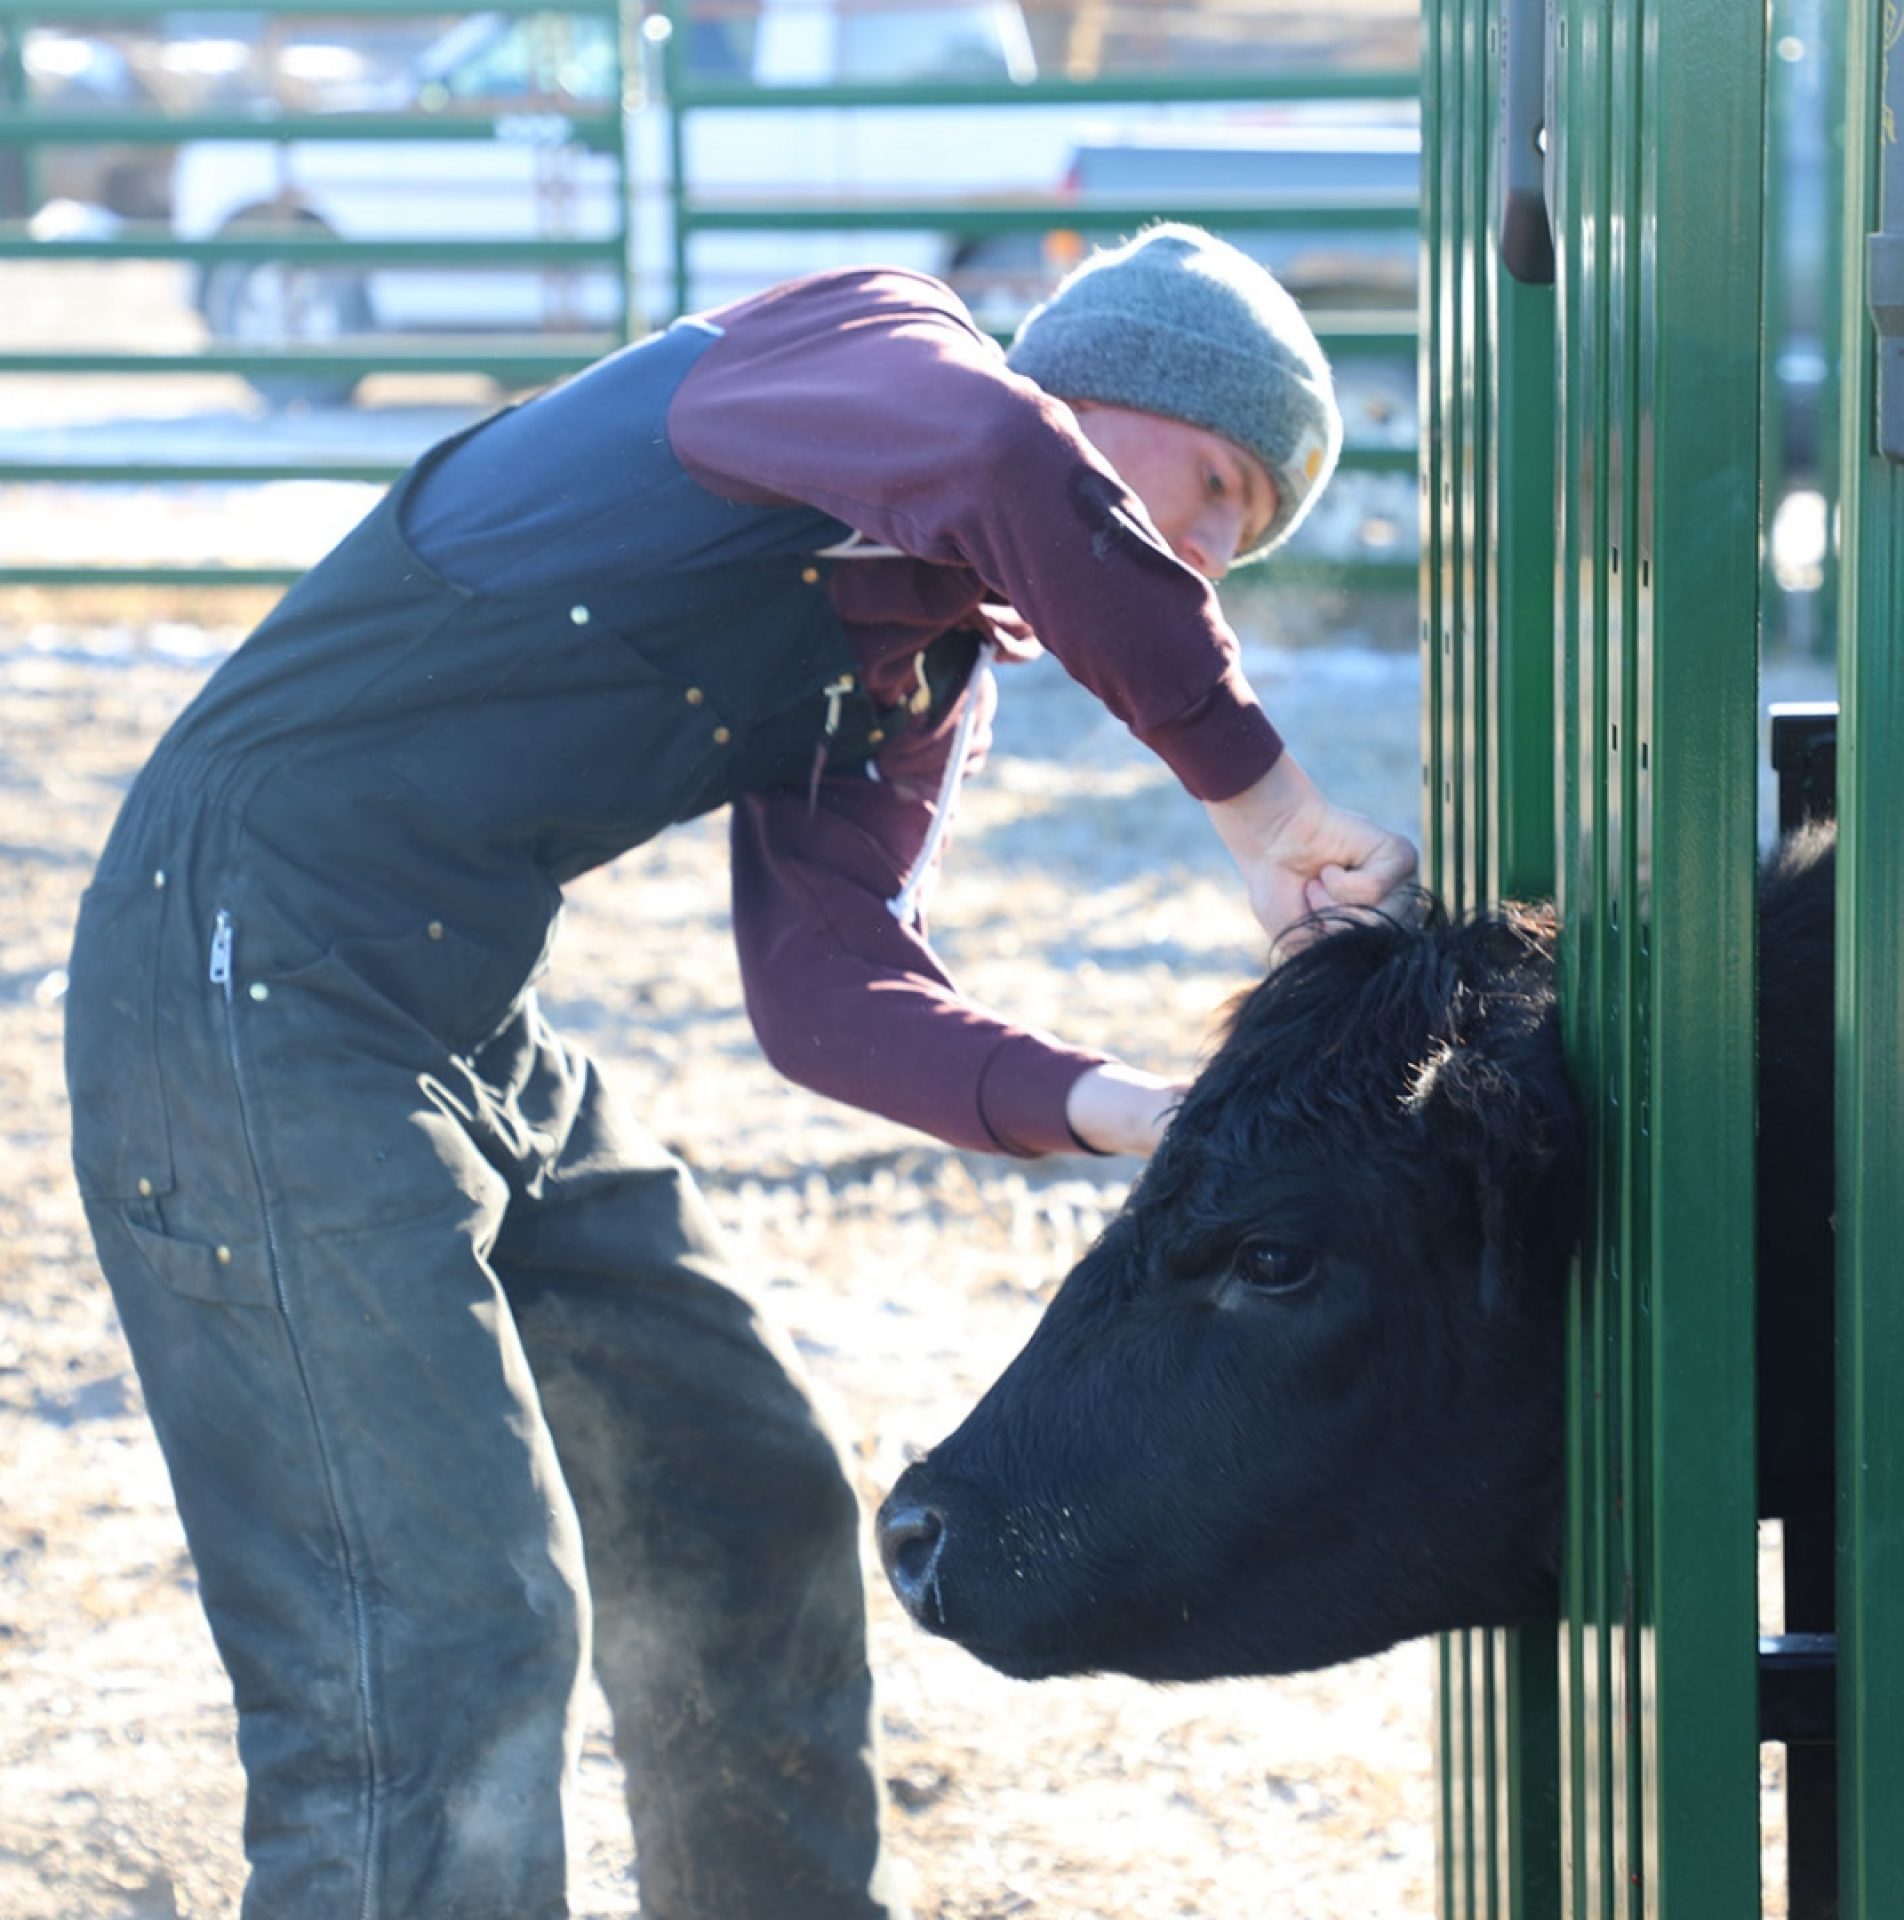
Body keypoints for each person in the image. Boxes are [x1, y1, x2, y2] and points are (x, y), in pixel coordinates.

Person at [63, 223, 1415, 1920]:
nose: (1209, 556)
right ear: (1102, 390)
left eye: (1243, 535)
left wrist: (1124, 1111)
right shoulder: (870, 346)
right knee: (437, 1620)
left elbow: (830, 991)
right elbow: (1005, 458)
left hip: (450, 1013)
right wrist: (1269, 809)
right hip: (235, 978)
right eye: (1215, 486)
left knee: (744, 1500)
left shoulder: (914, 661)